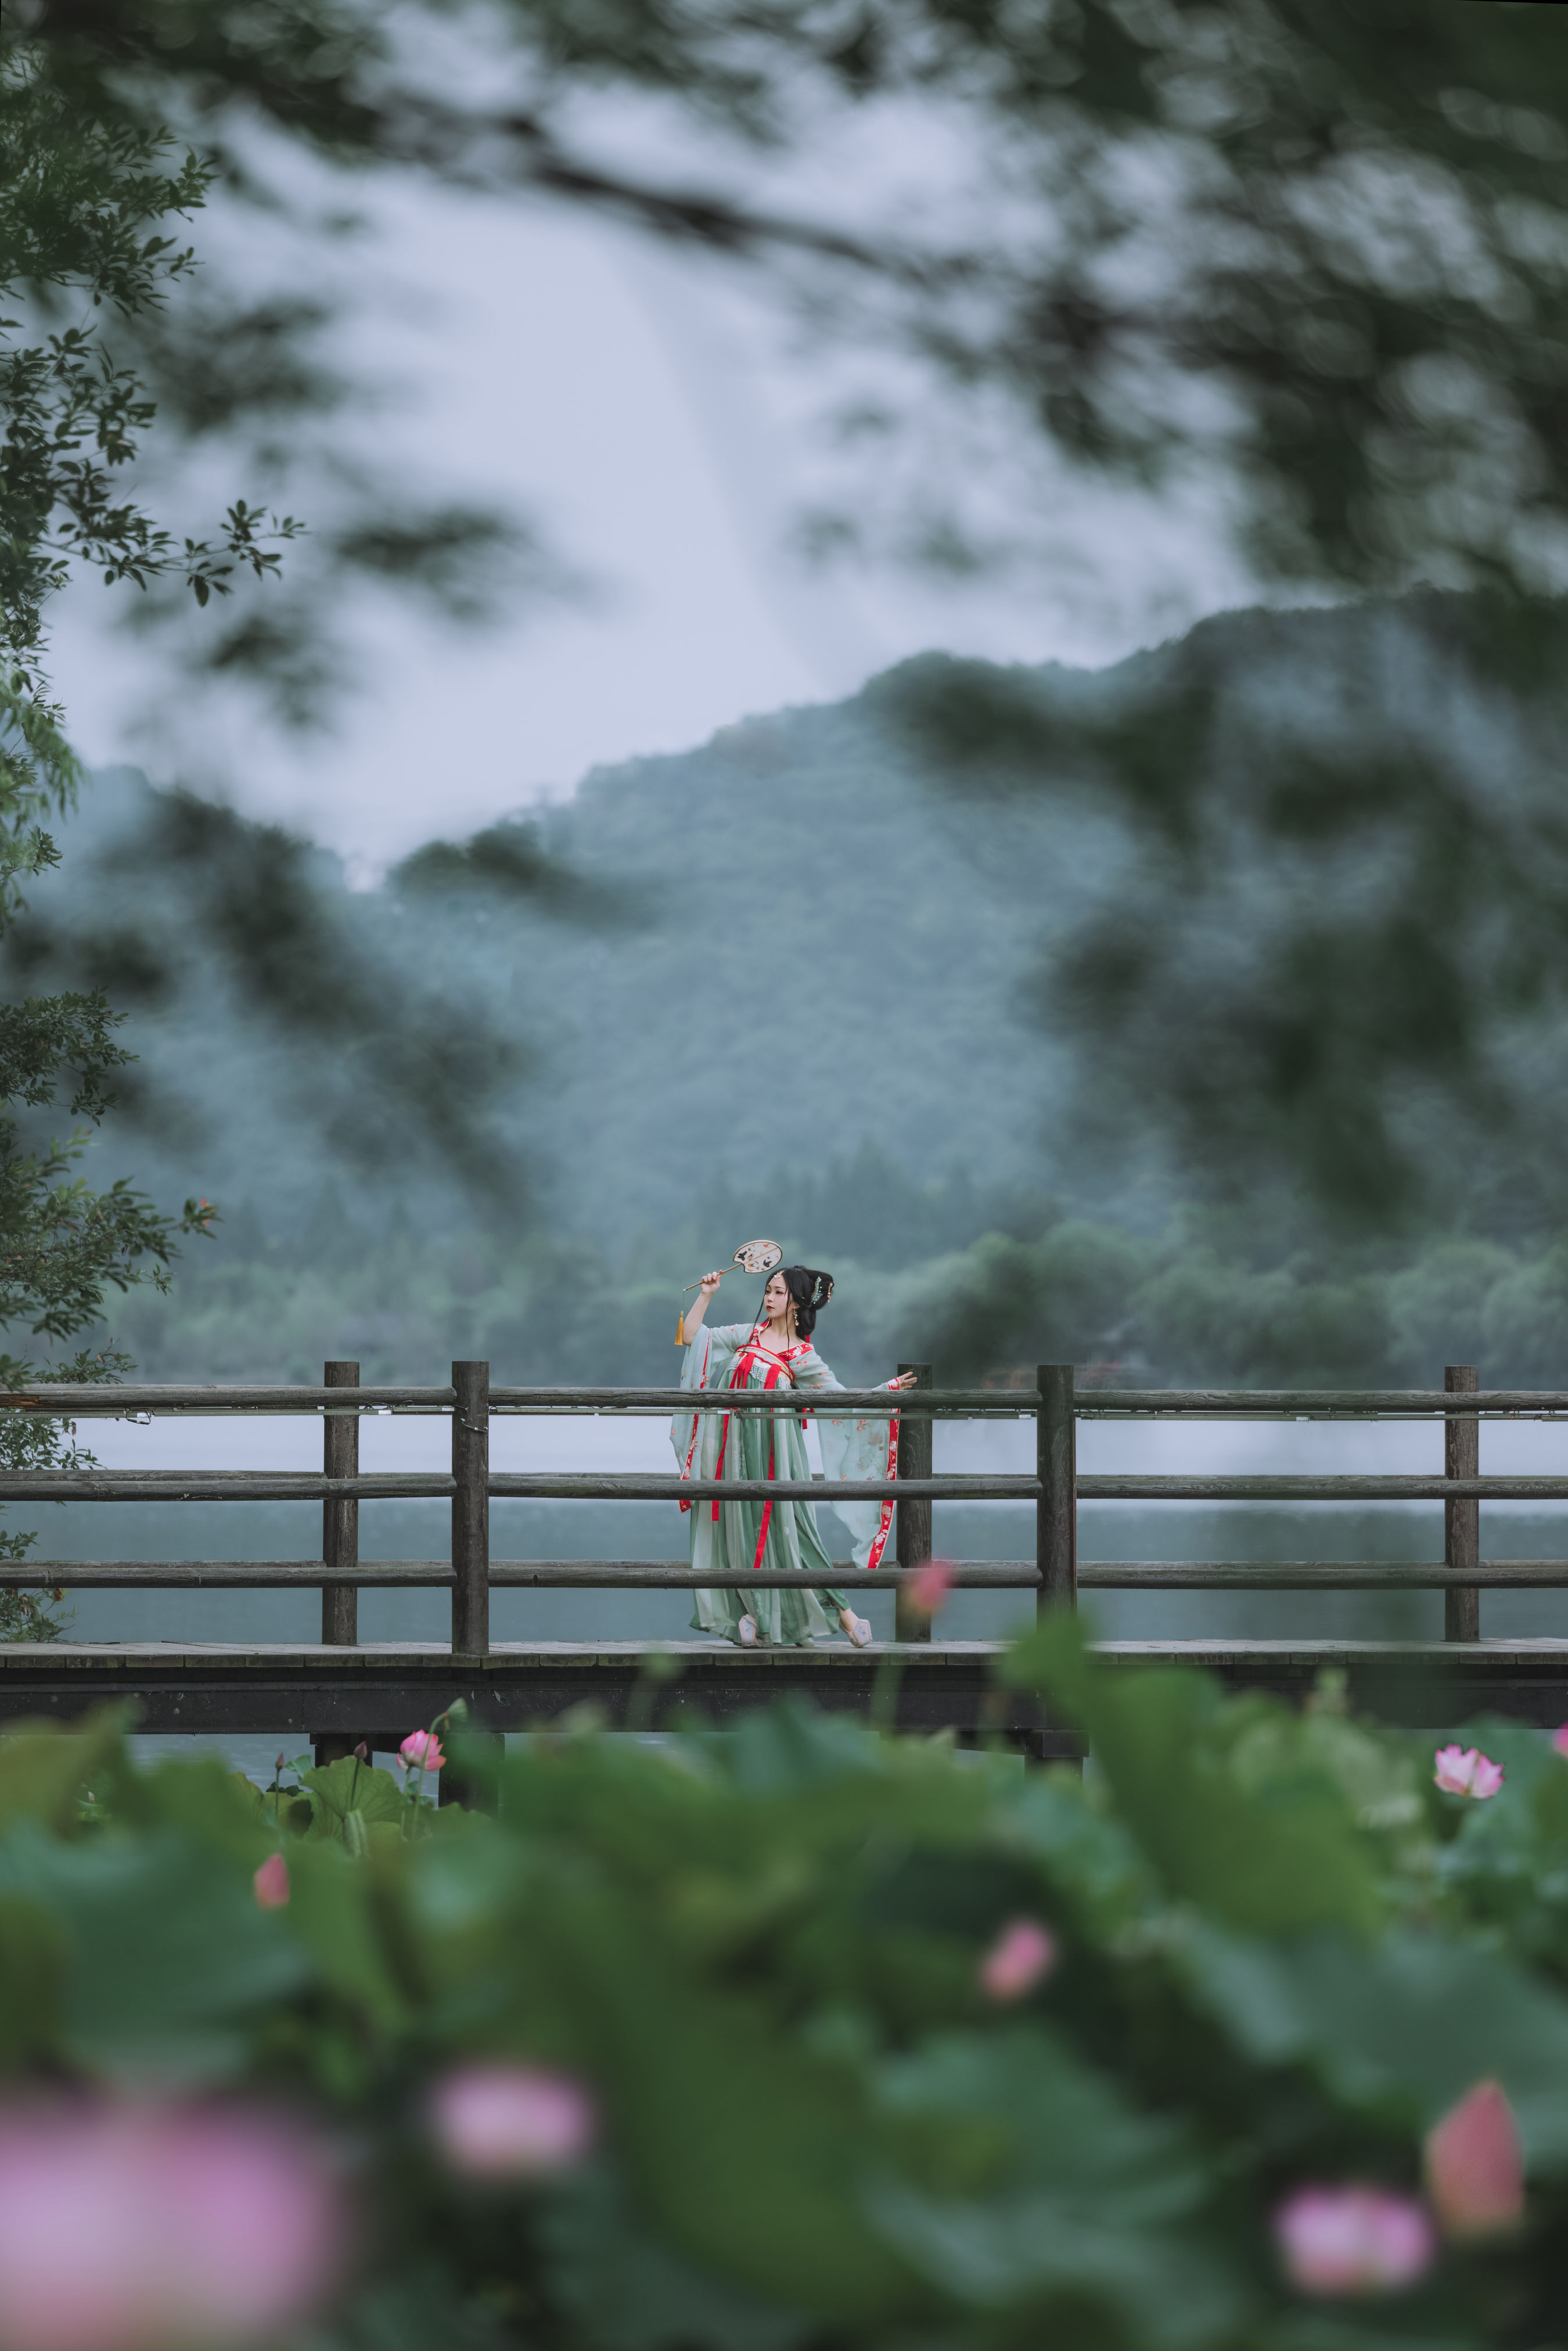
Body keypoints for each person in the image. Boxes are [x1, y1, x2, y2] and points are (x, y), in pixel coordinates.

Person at [672, 1263, 919, 1648]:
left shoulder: (803, 1356)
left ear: (796, 1302)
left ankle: (845, 1615)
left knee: (793, 1533)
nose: (769, 1298)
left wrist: (885, 1391)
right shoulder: (748, 1335)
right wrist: (706, 1295)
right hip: (732, 1452)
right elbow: (692, 1337)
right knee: (736, 1528)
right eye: (767, 1290)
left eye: (778, 1292)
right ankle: (754, 1615)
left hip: (776, 1454)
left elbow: (839, 1400)